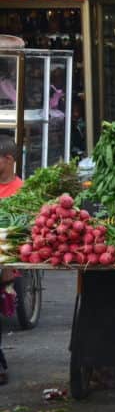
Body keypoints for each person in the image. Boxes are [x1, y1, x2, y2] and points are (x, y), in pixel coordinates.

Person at [0, 135, 24, 384]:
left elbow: (22, 235)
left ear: (8, 159)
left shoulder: (21, 190)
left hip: (6, 254)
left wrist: (8, 265)